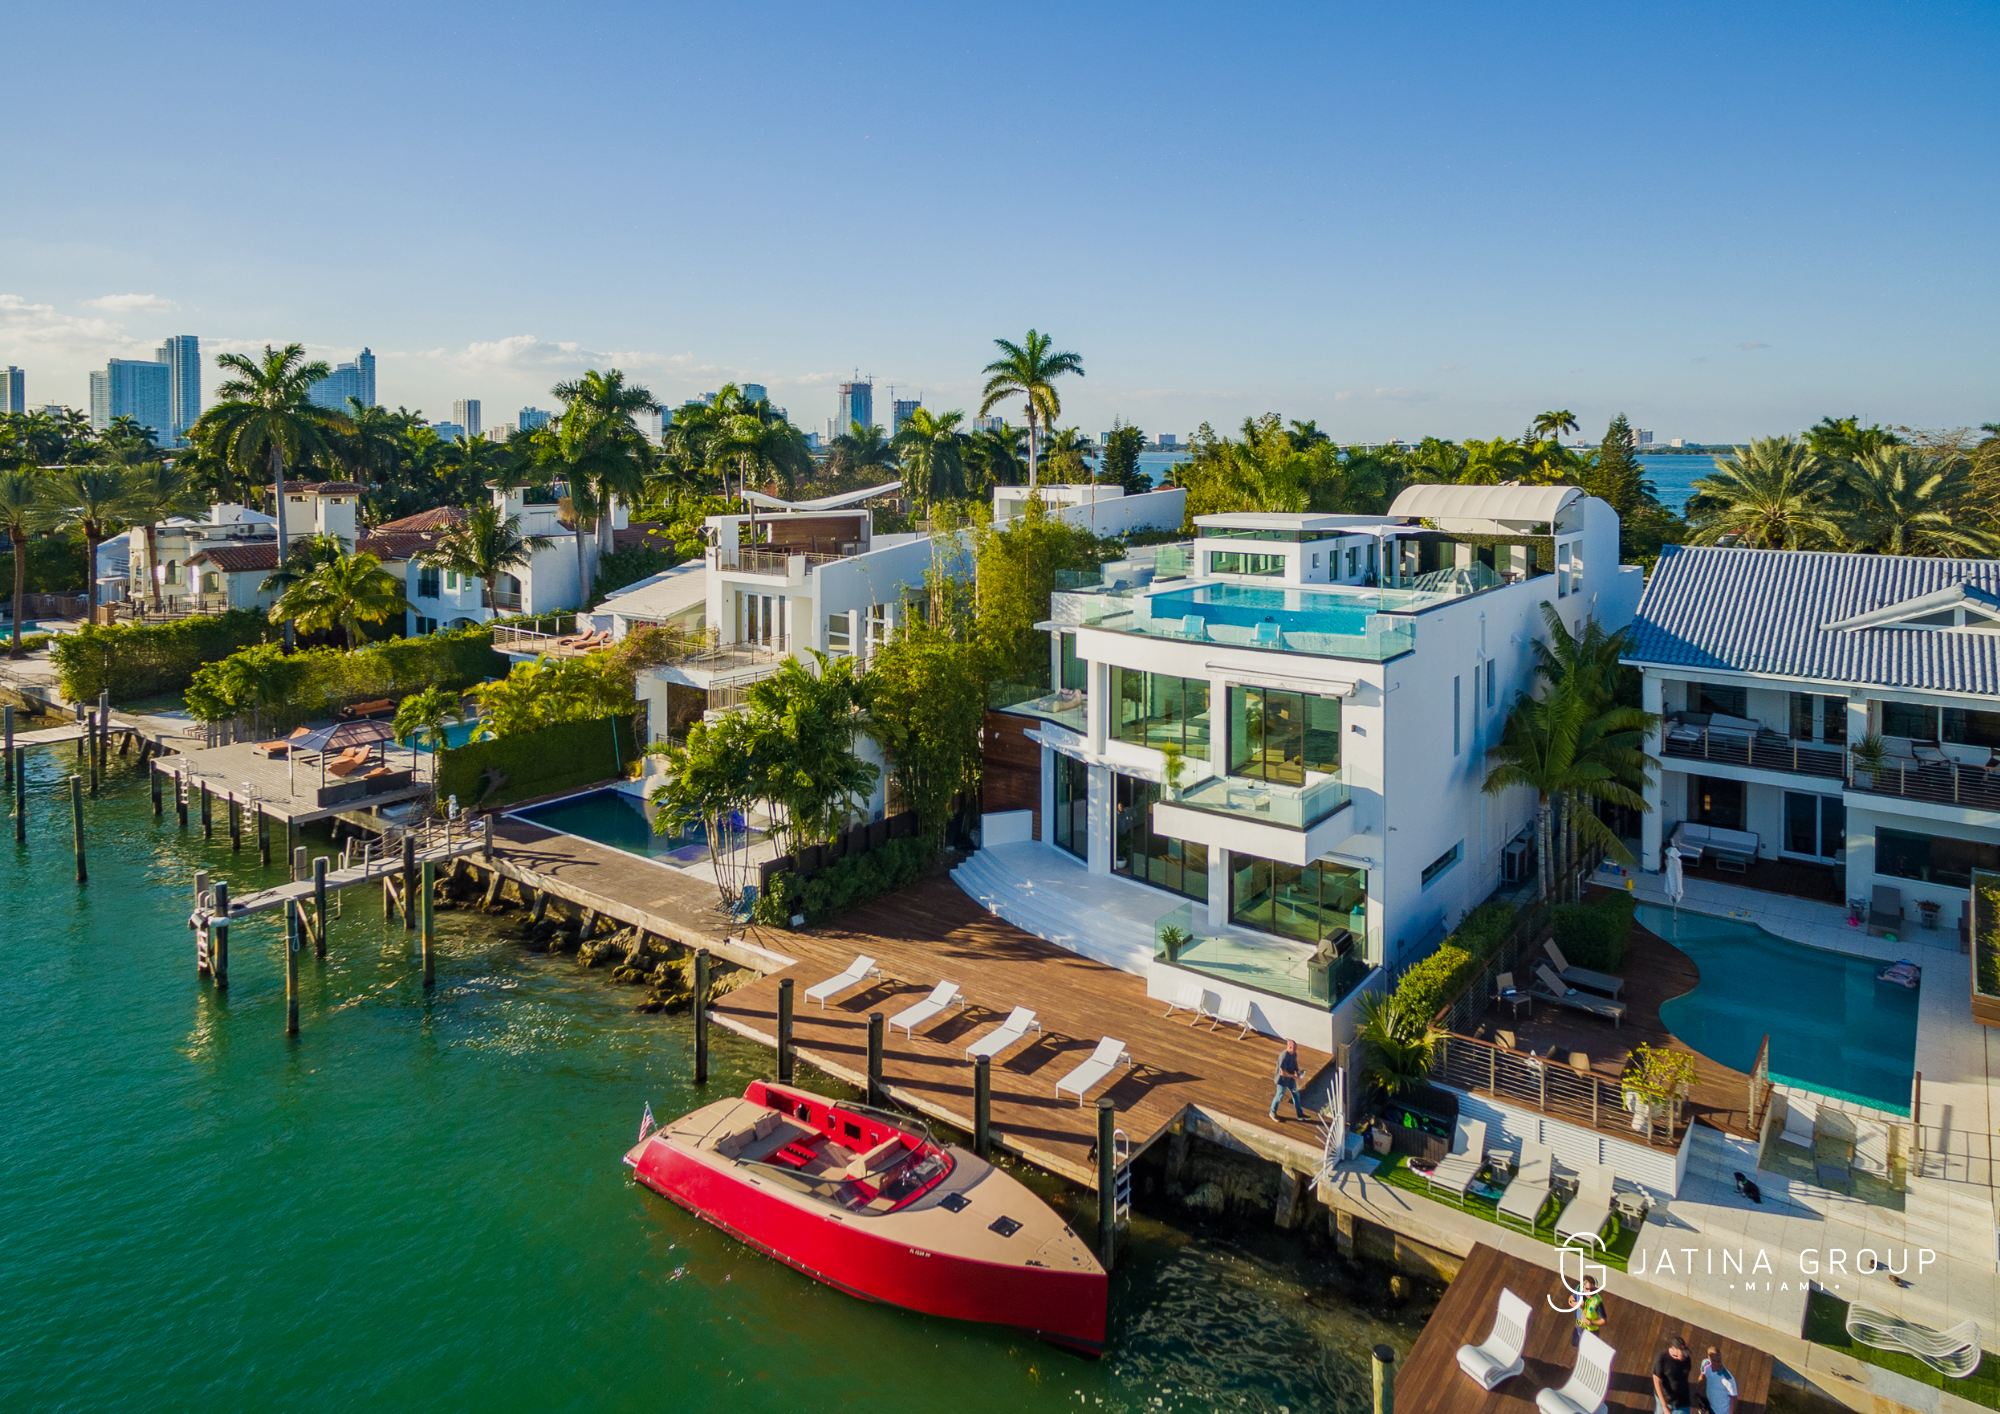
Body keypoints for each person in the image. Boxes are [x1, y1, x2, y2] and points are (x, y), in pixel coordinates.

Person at [1652, 1334, 1694, 1414]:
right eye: (1683, 1353)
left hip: (1682, 1401)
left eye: (1686, 1352)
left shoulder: (1686, 1359)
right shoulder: (1661, 1358)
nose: (1686, 1355)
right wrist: (1664, 1406)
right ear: (1674, 1349)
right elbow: (1657, 1381)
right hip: (1666, 1400)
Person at [1564, 1275, 1606, 1347]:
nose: (1589, 1292)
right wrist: (1576, 1304)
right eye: (1586, 1289)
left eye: (1592, 1289)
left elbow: (1603, 1321)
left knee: (1588, 1348)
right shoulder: (1578, 1289)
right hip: (1579, 1325)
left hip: (1591, 1331)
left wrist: (1590, 1322)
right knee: (1575, 1343)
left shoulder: (1597, 1301)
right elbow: (1570, 1300)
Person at [1269, 1039, 1306, 1121]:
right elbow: (1282, 1072)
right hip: (1282, 1080)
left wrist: (1297, 1071)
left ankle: (1300, 1114)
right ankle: (1272, 1112)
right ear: (1288, 1047)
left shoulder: (1294, 1054)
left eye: (1295, 1048)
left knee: (1296, 1095)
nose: (1294, 1049)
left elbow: (1295, 1062)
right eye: (1292, 1047)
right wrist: (1293, 1076)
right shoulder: (1284, 1056)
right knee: (1279, 1096)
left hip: (1290, 1080)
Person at [1700, 1346, 1738, 1414]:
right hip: (1711, 1406)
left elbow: (1734, 1398)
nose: (1717, 1364)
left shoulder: (1728, 1378)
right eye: (1714, 1361)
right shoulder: (1705, 1364)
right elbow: (1702, 1377)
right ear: (1709, 1358)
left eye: (1719, 1361)